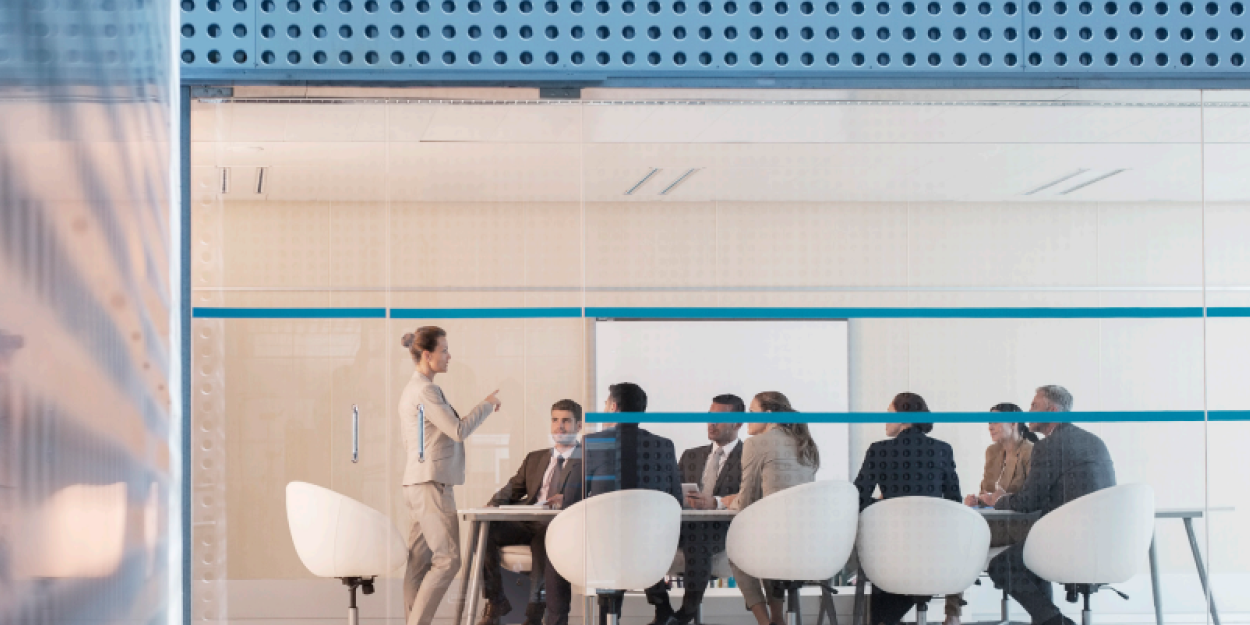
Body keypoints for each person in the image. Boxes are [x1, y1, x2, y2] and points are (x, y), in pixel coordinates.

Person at [544, 382, 682, 625]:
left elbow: (573, 500)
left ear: (615, 407)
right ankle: (661, 607)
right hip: (653, 550)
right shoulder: (664, 445)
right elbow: (676, 500)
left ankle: (565, 620)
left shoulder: (593, 443)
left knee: (556, 545)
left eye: (607, 404)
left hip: (605, 551)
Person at [984, 386, 1116, 625]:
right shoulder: (1094, 441)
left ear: (1052, 410)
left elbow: (1027, 501)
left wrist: (998, 500)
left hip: (1070, 541)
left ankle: (1055, 621)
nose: (1029, 411)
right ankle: (1048, 620)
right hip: (1103, 543)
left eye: (1034, 405)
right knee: (1030, 553)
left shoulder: (1049, 446)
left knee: (1002, 566)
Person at [399, 327, 502, 625]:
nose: (449, 355)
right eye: (444, 350)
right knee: (448, 560)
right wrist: (487, 405)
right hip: (432, 484)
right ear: (427, 355)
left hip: (416, 482)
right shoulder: (425, 390)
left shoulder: (413, 388)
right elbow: (458, 430)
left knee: (418, 565)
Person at [852, 392, 960, 625]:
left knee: (888, 577)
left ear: (903, 418)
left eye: (889, 414)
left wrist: (885, 505)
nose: (885, 420)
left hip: (892, 551)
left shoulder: (879, 450)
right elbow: (954, 502)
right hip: (934, 554)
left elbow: (857, 498)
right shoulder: (942, 449)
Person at [478, 400, 585, 625]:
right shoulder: (535, 458)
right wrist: (492, 504)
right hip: (528, 520)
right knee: (485, 530)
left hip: (559, 525)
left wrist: (568, 499)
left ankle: (534, 613)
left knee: (543, 543)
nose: (560, 426)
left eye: (566, 421)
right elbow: (513, 488)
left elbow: (596, 495)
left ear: (579, 426)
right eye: (555, 420)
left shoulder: (588, 460)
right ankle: (496, 600)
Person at [646, 394, 746, 625]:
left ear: (738, 423)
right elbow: (672, 491)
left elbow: (748, 496)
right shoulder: (691, 455)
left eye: (719, 418)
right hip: (684, 525)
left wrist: (715, 501)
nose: (711, 423)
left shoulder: (747, 457)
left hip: (724, 529)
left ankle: (685, 614)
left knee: (697, 540)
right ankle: (661, 606)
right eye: (709, 417)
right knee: (642, 535)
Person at [723, 392, 820, 625]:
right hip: (812, 547)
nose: (747, 418)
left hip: (777, 544)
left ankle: (765, 622)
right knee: (768, 539)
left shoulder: (756, 443)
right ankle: (778, 619)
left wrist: (725, 501)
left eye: (752, 412)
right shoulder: (805, 443)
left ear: (768, 414)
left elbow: (746, 502)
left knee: (737, 549)